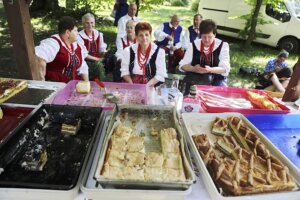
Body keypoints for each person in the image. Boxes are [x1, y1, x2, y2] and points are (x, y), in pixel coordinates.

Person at [179, 19, 230, 95]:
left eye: (210, 37)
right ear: (200, 35)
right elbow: (182, 65)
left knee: (218, 96)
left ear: (214, 34)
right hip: (195, 78)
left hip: (216, 79)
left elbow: (225, 69)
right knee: (189, 97)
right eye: (204, 37)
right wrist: (193, 69)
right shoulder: (193, 45)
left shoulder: (223, 45)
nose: (206, 40)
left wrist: (210, 70)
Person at [35, 16, 89, 83]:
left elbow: (83, 66)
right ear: (67, 33)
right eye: (75, 30)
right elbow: (39, 57)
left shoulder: (76, 46)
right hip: (56, 87)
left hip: (73, 86)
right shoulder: (54, 43)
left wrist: (86, 83)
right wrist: (42, 83)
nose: (77, 33)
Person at [120, 22, 167, 87]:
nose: (144, 38)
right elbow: (125, 72)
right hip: (131, 85)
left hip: (151, 85)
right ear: (136, 37)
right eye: (141, 35)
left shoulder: (159, 52)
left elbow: (160, 75)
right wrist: (132, 85)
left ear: (150, 35)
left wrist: (146, 87)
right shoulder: (128, 51)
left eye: (146, 35)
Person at [78, 13, 107, 80]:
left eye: (92, 23)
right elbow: (84, 54)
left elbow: (101, 49)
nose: (90, 25)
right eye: (87, 23)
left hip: (98, 59)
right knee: (98, 66)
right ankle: (101, 84)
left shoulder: (99, 34)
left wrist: (103, 54)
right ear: (83, 24)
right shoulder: (79, 36)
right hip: (85, 60)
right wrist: (98, 59)